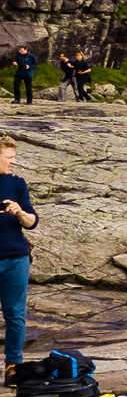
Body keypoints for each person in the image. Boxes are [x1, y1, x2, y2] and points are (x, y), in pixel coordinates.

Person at [0, 136, 40, 374]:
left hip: (16, 257)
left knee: (15, 315)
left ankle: (13, 366)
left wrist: (19, 212)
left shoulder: (17, 183)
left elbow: (32, 222)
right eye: (9, 158)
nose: (13, 162)